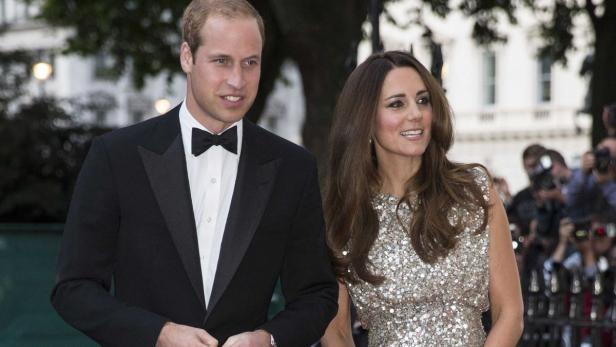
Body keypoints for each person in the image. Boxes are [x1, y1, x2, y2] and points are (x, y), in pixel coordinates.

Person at [50, 1, 338, 346]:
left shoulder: (293, 167)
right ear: (187, 57)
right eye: (221, 61)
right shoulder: (116, 156)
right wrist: (157, 334)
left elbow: (317, 294)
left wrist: (268, 338)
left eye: (251, 63)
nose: (237, 80)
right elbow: (73, 288)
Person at [320, 51, 523, 346]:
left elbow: (510, 313)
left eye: (422, 100)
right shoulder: (346, 214)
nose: (415, 113)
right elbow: (334, 330)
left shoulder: (474, 193)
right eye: (397, 104)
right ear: (366, 119)